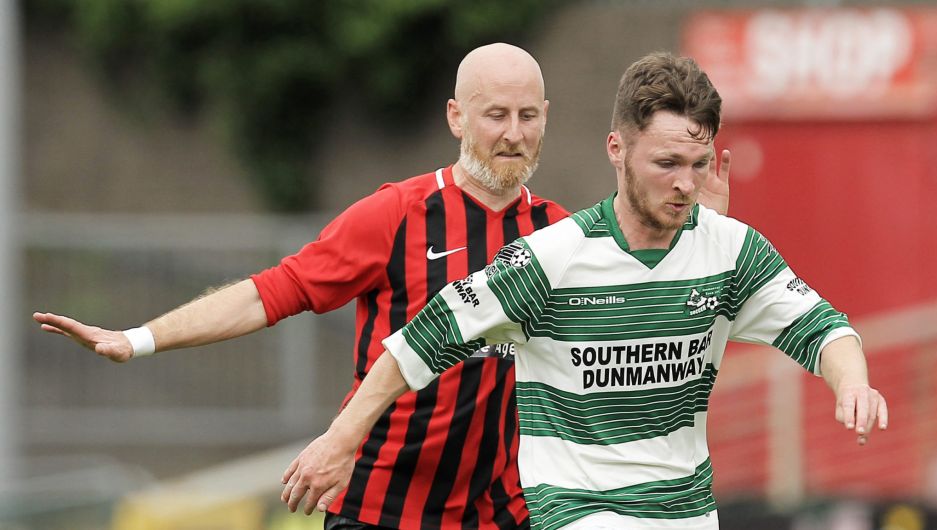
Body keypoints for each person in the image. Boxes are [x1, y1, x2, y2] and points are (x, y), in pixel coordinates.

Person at [34, 45, 730, 529]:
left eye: (527, 116)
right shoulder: (397, 215)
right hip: (380, 510)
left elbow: (652, 325)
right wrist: (139, 338)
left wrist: (703, 235)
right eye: (495, 116)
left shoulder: (560, 238)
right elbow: (271, 292)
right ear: (457, 117)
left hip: (502, 514)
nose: (513, 135)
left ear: (545, 116)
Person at [279, 51, 887, 530]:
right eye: (666, 163)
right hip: (575, 513)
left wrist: (852, 382)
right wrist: (341, 438)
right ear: (617, 150)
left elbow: (824, 329)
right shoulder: (553, 256)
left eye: (698, 165)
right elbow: (421, 340)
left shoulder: (730, 250)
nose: (686, 183)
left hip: (687, 514)